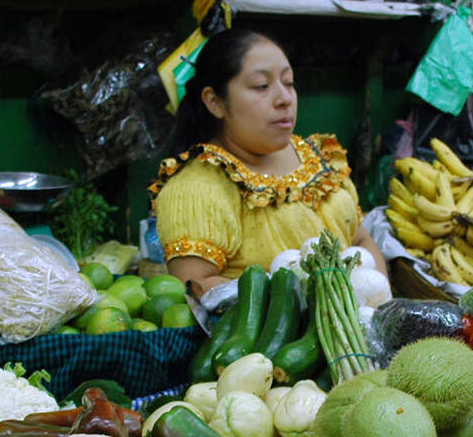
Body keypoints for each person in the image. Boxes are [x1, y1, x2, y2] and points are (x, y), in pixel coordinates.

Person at [150, 28, 386, 298]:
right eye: (262, 86)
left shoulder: (319, 158)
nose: (284, 99)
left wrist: (377, 304)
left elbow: (361, 240)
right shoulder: (198, 188)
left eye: (288, 83)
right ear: (215, 102)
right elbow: (194, 287)